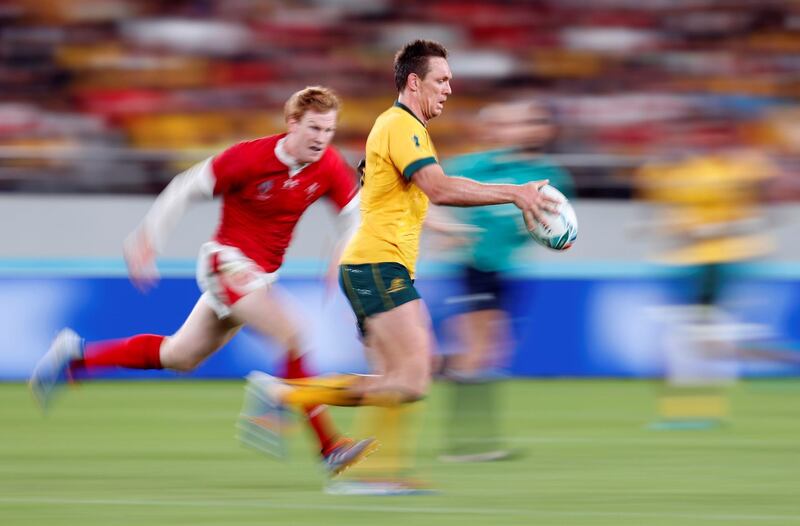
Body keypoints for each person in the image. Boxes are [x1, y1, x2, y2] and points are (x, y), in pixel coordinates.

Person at [240, 40, 560, 494]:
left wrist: (445, 227)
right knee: (413, 376)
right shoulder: (400, 125)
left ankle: (379, 475)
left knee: (397, 376)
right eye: (442, 80)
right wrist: (515, 193)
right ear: (414, 82)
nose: (450, 88)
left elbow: (401, 193)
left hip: (377, 265)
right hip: (377, 265)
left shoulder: (400, 130)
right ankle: (283, 393)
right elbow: (440, 187)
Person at [28, 86, 376, 476]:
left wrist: (338, 254)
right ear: (291, 123)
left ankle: (76, 356)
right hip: (225, 263)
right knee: (293, 334)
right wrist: (148, 236)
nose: (321, 139)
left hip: (259, 277)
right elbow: (185, 187)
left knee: (180, 356)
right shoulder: (248, 158)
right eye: (314, 128)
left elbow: (354, 216)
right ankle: (325, 443)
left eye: (328, 130)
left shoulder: (326, 165)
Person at [433, 99, 574, 462]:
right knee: (479, 350)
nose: (517, 130)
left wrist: (555, 238)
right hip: (475, 266)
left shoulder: (547, 173)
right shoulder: (473, 166)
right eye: (507, 124)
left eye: (524, 124)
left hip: (507, 270)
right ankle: (467, 443)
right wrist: (451, 232)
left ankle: (472, 439)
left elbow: (551, 227)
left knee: (492, 351)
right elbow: (432, 195)